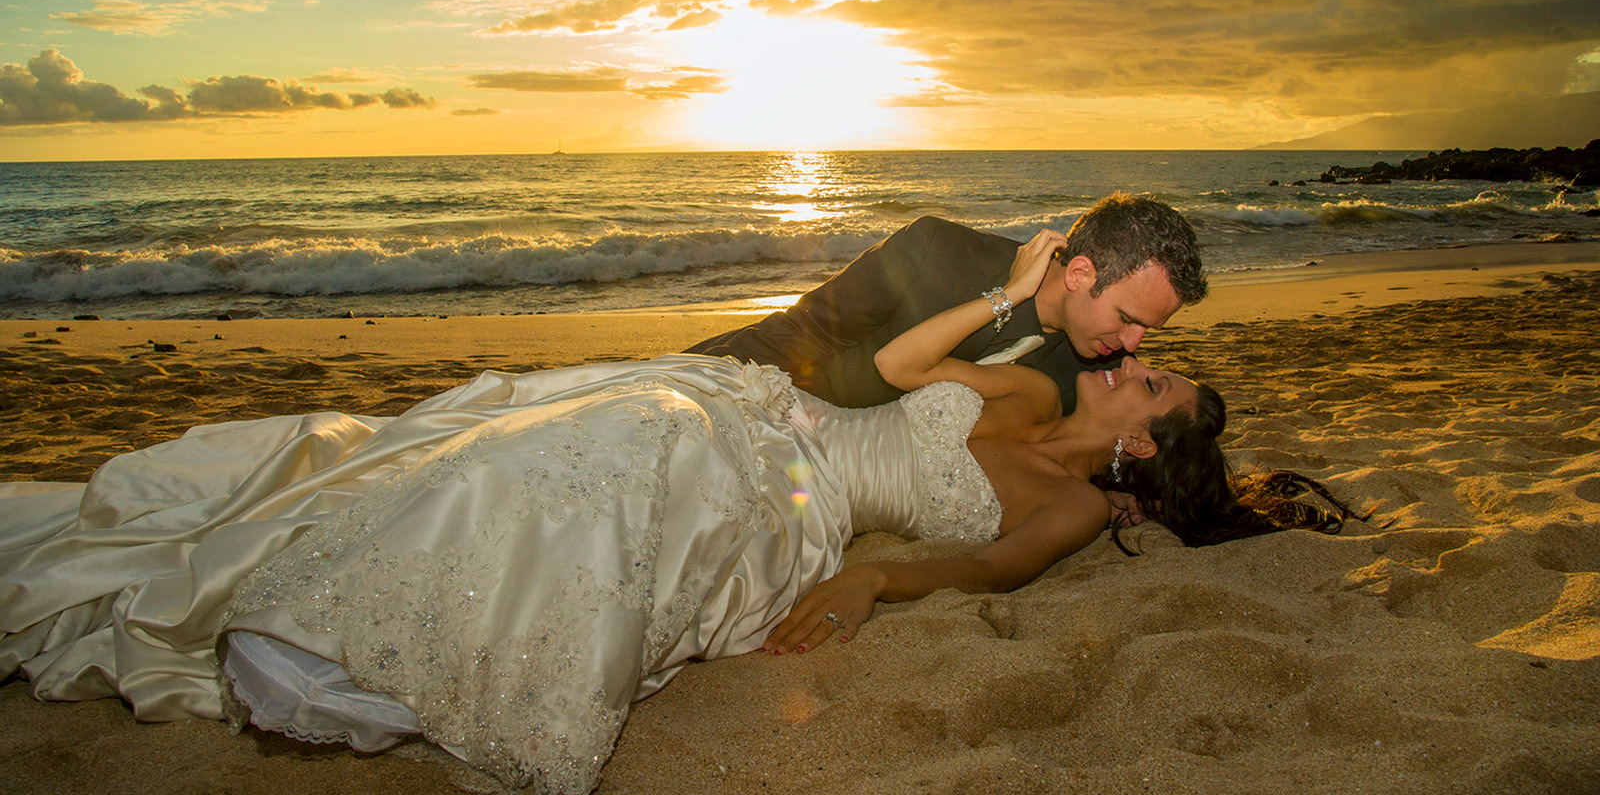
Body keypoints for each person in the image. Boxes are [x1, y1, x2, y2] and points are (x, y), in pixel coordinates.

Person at [0, 234, 1350, 794]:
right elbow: (892, 374)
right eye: (1141, 340)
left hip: (802, 507)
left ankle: (366, 659)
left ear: (1149, 438)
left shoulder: (1066, 508)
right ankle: (339, 599)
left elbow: (985, 571)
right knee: (604, 433)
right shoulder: (1020, 389)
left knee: (632, 481)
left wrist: (881, 584)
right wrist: (1007, 297)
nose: (1133, 363)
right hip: (768, 416)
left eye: (1154, 376)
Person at [686, 192, 1208, 411]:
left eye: (1147, 331)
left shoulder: (1096, 374)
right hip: (786, 401)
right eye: (1127, 319)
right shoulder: (934, 249)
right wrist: (696, 380)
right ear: (1079, 272)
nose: (1133, 345)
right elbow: (806, 331)